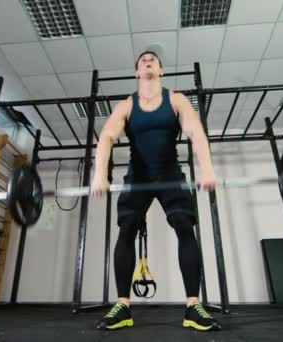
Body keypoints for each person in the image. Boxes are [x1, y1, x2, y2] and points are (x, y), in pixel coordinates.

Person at [90, 50, 221, 332]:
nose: (148, 61)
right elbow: (106, 137)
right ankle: (123, 306)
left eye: (153, 60)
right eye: (142, 60)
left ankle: (193, 307)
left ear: (160, 70)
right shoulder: (126, 105)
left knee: (185, 226)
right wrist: (99, 174)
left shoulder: (176, 99)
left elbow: (195, 132)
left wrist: (207, 169)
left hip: (169, 174)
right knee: (126, 229)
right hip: (138, 177)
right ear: (137, 72)